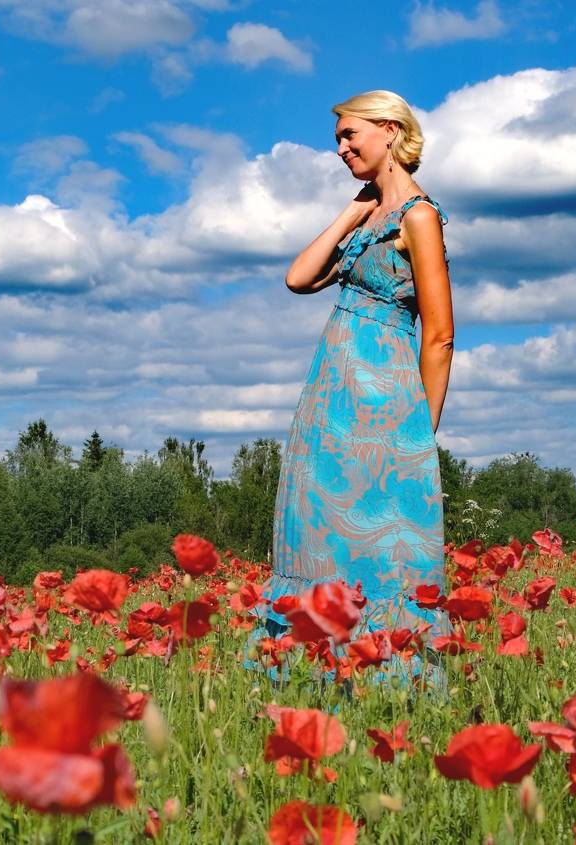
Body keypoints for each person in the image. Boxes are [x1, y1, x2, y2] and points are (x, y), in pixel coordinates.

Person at [248, 89, 453, 688]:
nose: (340, 148)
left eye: (349, 134)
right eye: (338, 138)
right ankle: (314, 683)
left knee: (383, 549)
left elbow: (440, 334)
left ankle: (388, 691)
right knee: (318, 541)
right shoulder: (372, 216)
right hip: (330, 405)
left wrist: (419, 432)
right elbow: (298, 278)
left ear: (390, 130)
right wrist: (352, 210)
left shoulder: (419, 217)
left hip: (385, 408)